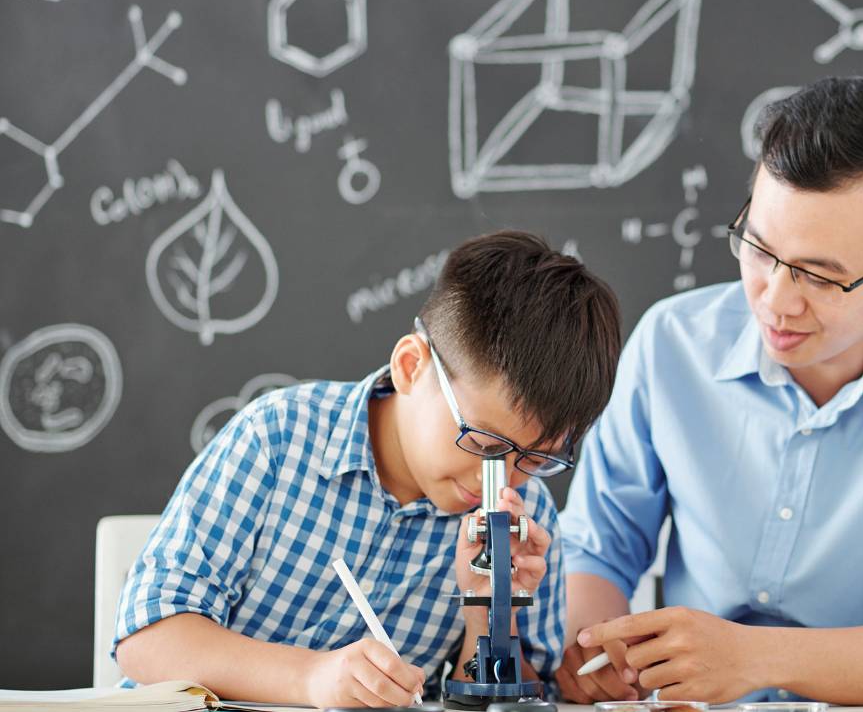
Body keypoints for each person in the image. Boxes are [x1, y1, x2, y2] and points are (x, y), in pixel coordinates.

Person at [557, 76, 863, 705]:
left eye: (819, 277)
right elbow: (598, 546)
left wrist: (756, 658)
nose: (775, 300)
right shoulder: (672, 344)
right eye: (759, 249)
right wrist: (590, 645)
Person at [114, 231, 622, 708]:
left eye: (535, 459)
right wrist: (312, 678)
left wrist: (488, 613)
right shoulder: (279, 438)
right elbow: (147, 639)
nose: (500, 480)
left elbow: (503, 699)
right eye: (485, 442)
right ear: (410, 367)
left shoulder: (524, 521)